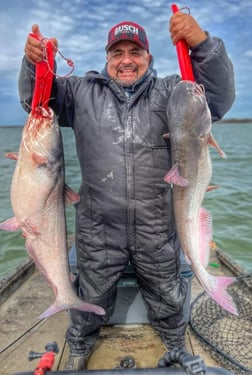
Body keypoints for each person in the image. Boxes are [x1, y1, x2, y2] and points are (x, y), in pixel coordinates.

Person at [19, 11, 235, 371]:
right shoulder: (80, 92)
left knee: (168, 298)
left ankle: (174, 342)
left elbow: (216, 99)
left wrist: (202, 44)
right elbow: (36, 101)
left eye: (135, 52)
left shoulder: (170, 91)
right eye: (117, 52)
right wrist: (33, 64)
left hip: (156, 225)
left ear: (148, 57)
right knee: (88, 298)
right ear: (107, 59)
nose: (126, 61)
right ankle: (79, 348)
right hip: (98, 228)